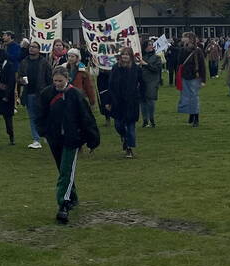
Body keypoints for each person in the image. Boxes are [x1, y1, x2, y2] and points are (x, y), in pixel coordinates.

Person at [37, 66, 100, 224]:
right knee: (62, 168)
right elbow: (40, 115)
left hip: (72, 139)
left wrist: (92, 139)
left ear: (67, 79)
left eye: (60, 80)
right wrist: (44, 132)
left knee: (66, 171)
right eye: (55, 80)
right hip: (54, 138)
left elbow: (87, 118)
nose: (57, 83)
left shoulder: (76, 95)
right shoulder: (47, 93)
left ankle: (63, 204)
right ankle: (73, 196)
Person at [106, 47, 142, 159]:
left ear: (131, 56)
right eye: (123, 54)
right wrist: (109, 101)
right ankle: (123, 136)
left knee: (131, 126)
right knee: (118, 124)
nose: (125, 56)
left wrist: (140, 95)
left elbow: (142, 82)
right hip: (118, 101)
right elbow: (110, 85)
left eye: (127, 54)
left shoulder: (136, 69)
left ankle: (129, 148)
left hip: (132, 101)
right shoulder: (116, 68)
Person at [18, 41, 53, 149]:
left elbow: (49, 78)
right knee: (32, 117)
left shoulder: (44, 62)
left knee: (44, 115)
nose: (31, 49)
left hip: (42, 93)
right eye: (30, 47)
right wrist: (21, 81)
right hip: (29, 93)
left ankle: (46, 134)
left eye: (34, 47)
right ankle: (36, 139)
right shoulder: (24, 62)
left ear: (39, 49)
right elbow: (19, 76)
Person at [177, 32, 207, 127]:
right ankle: (191, 114)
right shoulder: (182, 50)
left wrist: (203, 80)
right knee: (187, 97)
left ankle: (196, 118)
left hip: (195, 76)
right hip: (185, 76)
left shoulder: (198, 51)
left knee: (194, 97)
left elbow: (202, 66)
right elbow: (179, 62)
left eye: (184, 37)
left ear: (189, 39)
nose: (182, 39)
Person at [139, 42, 163, 128]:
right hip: (142, 81)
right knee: (142, 101)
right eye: (149, 45)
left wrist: (146, 64)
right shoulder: (140, 57)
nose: (151, 46)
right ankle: (145, 120)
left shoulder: (157, 57)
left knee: (150, 100)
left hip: (152, 81)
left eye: (151, 45)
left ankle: (151, 118)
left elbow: (156, 68)